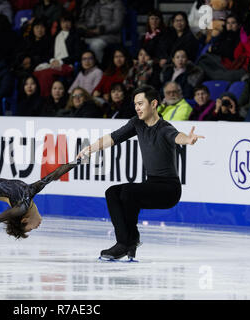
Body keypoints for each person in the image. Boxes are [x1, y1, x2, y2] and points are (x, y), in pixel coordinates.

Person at [76, 85, 204, 260]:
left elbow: (176, 136)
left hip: (169, 190)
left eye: (141, 103)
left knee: (129, 193)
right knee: (112, 192)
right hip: (150, 184)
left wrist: (188, 139)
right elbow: (113, 137)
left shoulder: (164, 128)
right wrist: (89, 149)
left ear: (153, 104)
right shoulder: (137, 123)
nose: (137, 108)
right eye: (135, 104)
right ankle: (129, 239)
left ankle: (125, 243)